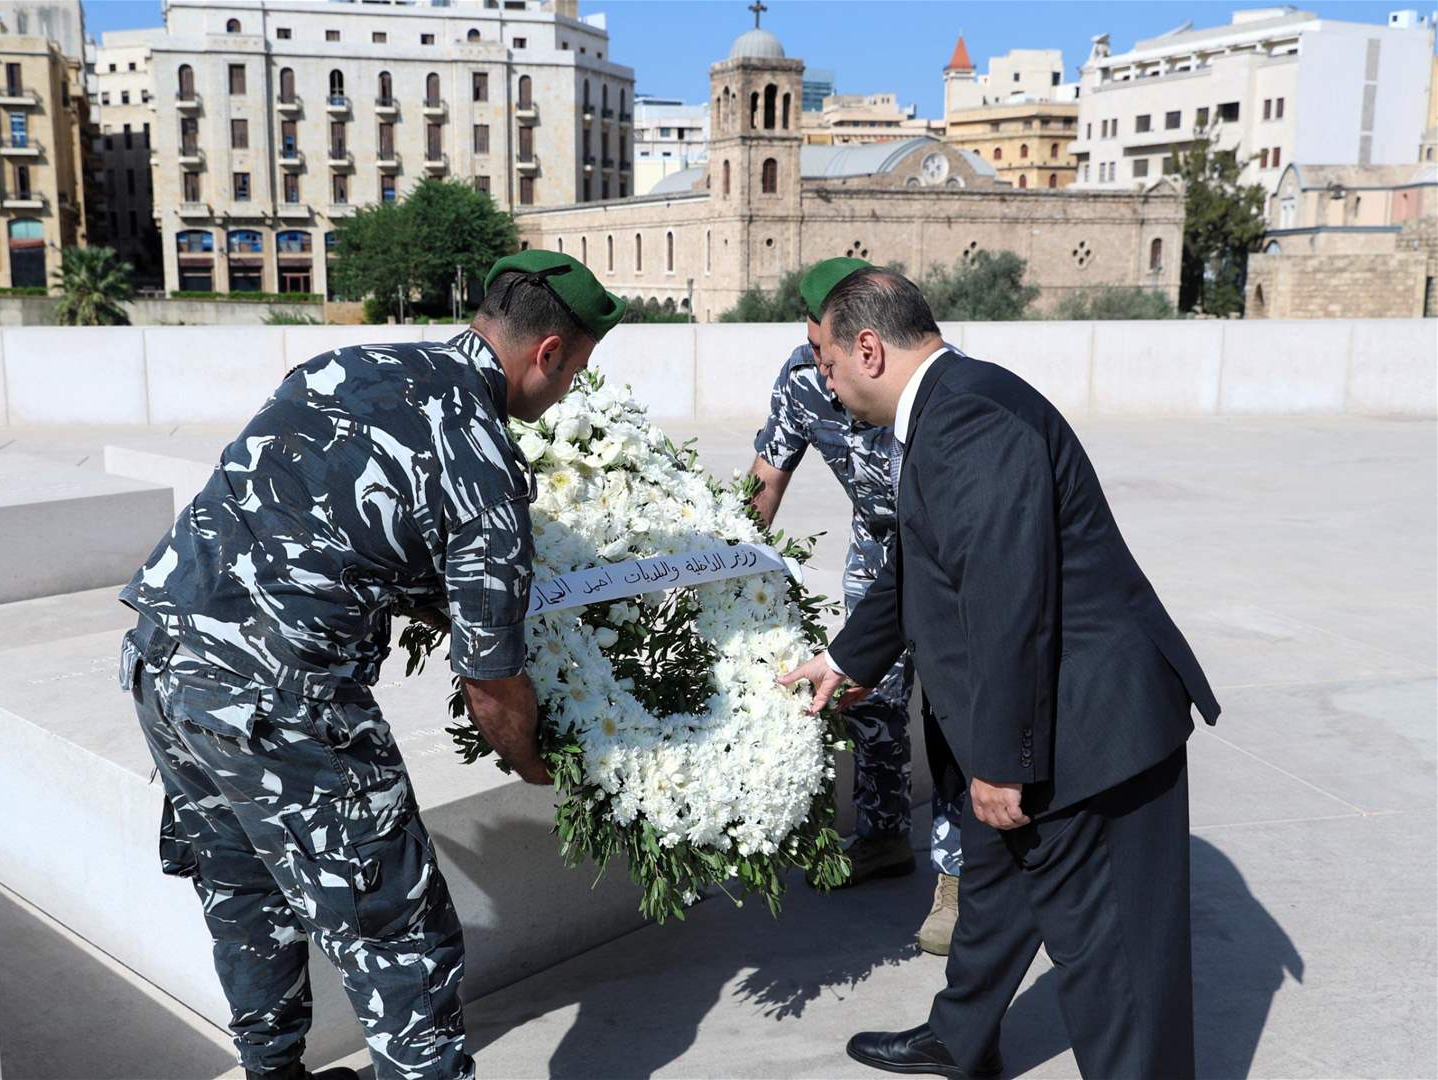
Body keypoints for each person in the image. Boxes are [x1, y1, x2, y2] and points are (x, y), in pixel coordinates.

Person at [116, 250, 625, 1080]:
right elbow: (491, 680)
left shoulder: (347, 364)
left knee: (245, 894)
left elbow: (324, 525)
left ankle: (271, 1072)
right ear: (550, 353)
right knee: (399, 936)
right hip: (285, 701)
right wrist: (530, 759)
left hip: (162, 660)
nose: (568, 392)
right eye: (575, 372)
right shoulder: (484, 464)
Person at [782, 268, 1220, 1079]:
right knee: (994, 888)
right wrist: (846, 659)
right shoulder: (949, 405)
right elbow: (919, 564)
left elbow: (1007, 599)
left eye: (826, 361)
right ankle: (962, 1035)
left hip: (1091, 731)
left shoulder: (969, 420)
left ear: (868, 349)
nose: (825, 383)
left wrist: (1001, 764)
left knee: (1120, 972)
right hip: (1039, 711)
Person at [749, 257, 964, 953]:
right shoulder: (803, 376)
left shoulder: (926, 376)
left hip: (937, 547)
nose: (820, 361)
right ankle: (881, 837)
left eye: (826, 347)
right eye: (813, 344)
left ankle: (958, 877)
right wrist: (730, 558)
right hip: (875, 547)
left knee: (948, 707)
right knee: (866, 697)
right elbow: (768, 474)